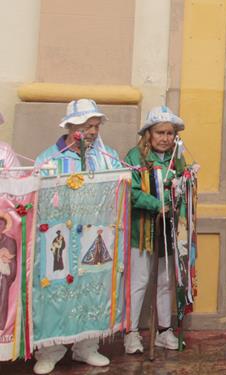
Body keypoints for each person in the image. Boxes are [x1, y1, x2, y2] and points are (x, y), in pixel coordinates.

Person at [32, 99, 118, 374]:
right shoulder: (48, 158)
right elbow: (39, 196)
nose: (92, 131)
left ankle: (87, 346)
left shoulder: (106, 157)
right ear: (70, 126)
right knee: (54, 291)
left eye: (95, 126)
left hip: (94, 236)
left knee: (93, 289)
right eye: (86, 126)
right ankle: (49, 350)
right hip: (60, 237)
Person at [122, 106, 187, 355]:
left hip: (169, 231)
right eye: (160, 132)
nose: (165, 138)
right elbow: (132, 191)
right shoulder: (135, 157)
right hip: (143, 231)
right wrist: (157, 205)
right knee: (139, 281)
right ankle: (132, 333)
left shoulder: (177, 159)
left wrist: (179, 215)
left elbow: (184, 189)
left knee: (165, 282)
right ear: (149, 134)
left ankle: (164, 331)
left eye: (170, 133)